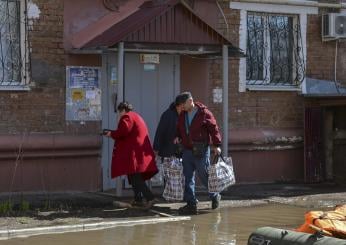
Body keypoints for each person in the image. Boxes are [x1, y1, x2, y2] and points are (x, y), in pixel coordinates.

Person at [175, 92, 222, 215]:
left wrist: (216, 145)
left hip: (201, 149)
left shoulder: (204, 113)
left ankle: (215, 195)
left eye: (183, 104)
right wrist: (177, 136)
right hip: (187, 150)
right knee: (188, 177)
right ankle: (191, 203)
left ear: (190, 101)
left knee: (204, 175)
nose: (182, 107)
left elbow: (214, 128)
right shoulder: (182, 115)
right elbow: (179, 128)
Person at [104, 102, 158, 208]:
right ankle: (138, 199)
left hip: (134, 153)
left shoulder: (127, 117)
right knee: (133, 175)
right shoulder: (136, 116)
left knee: (135, 177)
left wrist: (111, 134)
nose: (119, 115)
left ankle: (150, 198)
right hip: (139, 151)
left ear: (123, 110)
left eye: (119, 112)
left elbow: (123, 132)